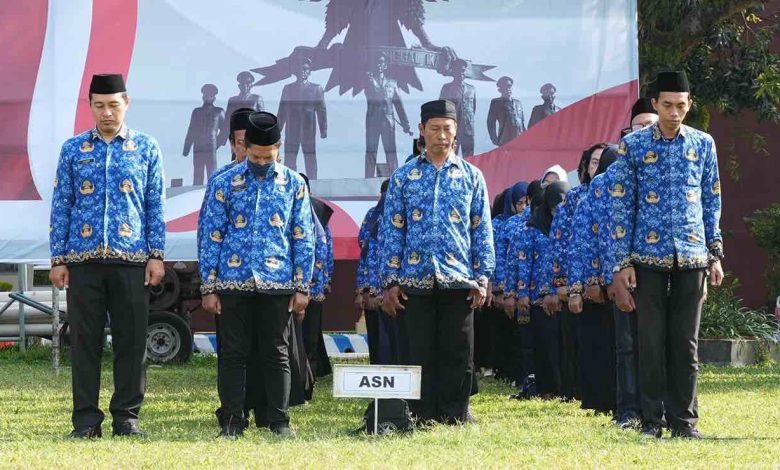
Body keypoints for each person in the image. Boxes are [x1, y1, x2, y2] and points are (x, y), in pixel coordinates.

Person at [49, 73, 166, 438]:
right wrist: (58, 258)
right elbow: (62, 204)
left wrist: (156, 255)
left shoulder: (146, 148)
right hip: (83, 263)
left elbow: (154, 205)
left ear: (126, 104)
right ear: (90, 106)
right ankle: (85, 421)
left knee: (131, 343)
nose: (107, 113)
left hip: (131, 261)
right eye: (99, 105)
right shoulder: (73, 149)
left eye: (114, 105)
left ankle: (127, 417)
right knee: (85, 343)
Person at [609, 71, 724, 439]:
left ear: (690, 105)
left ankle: (684, 421)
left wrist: (715, 253)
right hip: (647, 257)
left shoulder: (704, 144)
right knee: (651, 343)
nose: (674, 113)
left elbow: (712, 200)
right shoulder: (635, 146)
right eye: (667, 105)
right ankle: (651, 421)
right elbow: (621, 205)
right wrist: (622, 262)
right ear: (655, 104)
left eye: (681, 106)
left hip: (693, 256)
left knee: (686, 343)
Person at [199, 111, 315, 439]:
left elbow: (302, 235)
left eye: (269, 155)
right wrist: (209, 285)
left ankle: (279, 421)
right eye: (255, 155)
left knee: (276, 351)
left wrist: (302, 284)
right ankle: (232, 422)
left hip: (277, 283)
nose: (262, 161)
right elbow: (211, 235)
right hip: (232, 281)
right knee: (233, 353)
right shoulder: (224, 182)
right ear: (243, 147)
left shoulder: (293, 183)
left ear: (279, 147)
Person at [381, 99, 494, 424]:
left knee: (459, 350)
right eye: (434, 129)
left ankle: (455, 413)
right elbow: (393, 231)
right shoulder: (404, 178)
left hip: (459, 279)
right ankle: (421, 413)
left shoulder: (472, 177)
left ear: (456, 131)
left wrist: (483, 276)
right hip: (414, 280)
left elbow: (481, 230)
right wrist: (390, 280)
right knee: (418, 351)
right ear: (421, 131)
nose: (441, 135)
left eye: (447, 128)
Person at [566, 145, 620, 414]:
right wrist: (584, 285)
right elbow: (581, 244)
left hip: (633, 283)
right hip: (600, 286)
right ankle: (603, 400)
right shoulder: (592, 196)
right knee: (601, 345)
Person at [510, 181, 570, 398]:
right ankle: (547, 388)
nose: (558, 211)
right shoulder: (533, 227)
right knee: (545, 345)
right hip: (537, 296)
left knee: (563, 343)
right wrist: (523, 293)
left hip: (563, 294)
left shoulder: (567, 226)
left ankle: (566, 388)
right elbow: (524, 262)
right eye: (555, 206)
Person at [299, 173, 335, 377]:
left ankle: (309, 374)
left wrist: (322, 277)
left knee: (310, 334)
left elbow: (325, 248)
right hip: (293, 286)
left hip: (313, 286)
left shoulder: (318, 213)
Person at [278, 57, 327, 179]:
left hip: (308, 129)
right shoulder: (288, 88)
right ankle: (289, 183)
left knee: (310, 158)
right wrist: (277, 129)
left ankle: (313, 184)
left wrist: (323, 129)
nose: (303, 71)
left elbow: (321, 110)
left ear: (309, 72)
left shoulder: (316, 88)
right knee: (290, 159)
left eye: (306, 69)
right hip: (292, 128)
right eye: (300, 69)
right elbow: (282, 110)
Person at [364, 52, 412, 178]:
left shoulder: (393, 83)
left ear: (385, 65)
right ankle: (368, 178)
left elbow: (399, 105)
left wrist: (405, 124)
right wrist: (369, 81)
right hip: (372, 120)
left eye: (382, 62)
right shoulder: (368, 81)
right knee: (371, 151)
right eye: (377, 62)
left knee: (391, 152)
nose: (379, 65)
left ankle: (394, 178)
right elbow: (370, 96)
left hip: (388, 121)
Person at [183, 84, 225, 185]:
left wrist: (216, 145)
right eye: (206, 95)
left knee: (212, 175)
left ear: (214, 98)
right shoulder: (196, 112)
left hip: (211, 148)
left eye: (210, 95)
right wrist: (186, 148)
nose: (208, 97)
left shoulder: (219, 111)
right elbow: (191, 130)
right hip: (198, 148)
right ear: (203, 96)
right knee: (197, 176)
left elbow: (224, 131)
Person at [440, 59, 476, 157]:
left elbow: (473, 110)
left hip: (468, 131)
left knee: (469, 159)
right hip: (452, 130)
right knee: (450, 158)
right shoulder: (446, 88)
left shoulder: (471, 89)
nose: (461, 73)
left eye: (463, 71)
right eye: (458, 70)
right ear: (453, 71)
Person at [217, 71, 265, 147]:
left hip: (253, 138)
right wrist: (219, 142)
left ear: (251, 85)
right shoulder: (232, 100)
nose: (245, 85)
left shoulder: (257, 99)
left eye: (248, 83)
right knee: (237, 158)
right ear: (239, 85)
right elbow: (227, 122)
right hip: (237, 137)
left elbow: (262, 121)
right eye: (243, 83)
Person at [487, 76, 526, 147]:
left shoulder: (518, 103)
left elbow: (522, 123)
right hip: (505, 139)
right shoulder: (496, 103)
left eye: (509, 86)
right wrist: (494, 139)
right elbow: (490, 123)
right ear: (500, 89)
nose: (508, 89)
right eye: (505, 87)